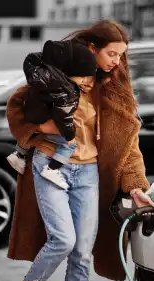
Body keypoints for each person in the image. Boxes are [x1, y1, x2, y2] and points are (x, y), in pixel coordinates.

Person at [2, 19, 154, 281]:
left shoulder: (116, 90)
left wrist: (135, 187)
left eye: (121, 55)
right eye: (111, 53)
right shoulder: (59, 73)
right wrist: (38, 127)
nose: (117, 60)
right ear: (92, 49)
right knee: (62, 239)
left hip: (88, 176)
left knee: (82, 253)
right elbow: (17, 108)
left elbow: (128, 146)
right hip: (49, 165)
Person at [6, 40, 97, 190]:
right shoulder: (65, 91)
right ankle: (53, 169)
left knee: (33, 135)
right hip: (47, 123)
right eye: (82, 77)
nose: (84, 81)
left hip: (33, 114)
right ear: (71, 72)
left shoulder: (42, 75)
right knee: (69, 145)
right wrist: (70, 134)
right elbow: (64, 116)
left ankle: (18, 154)